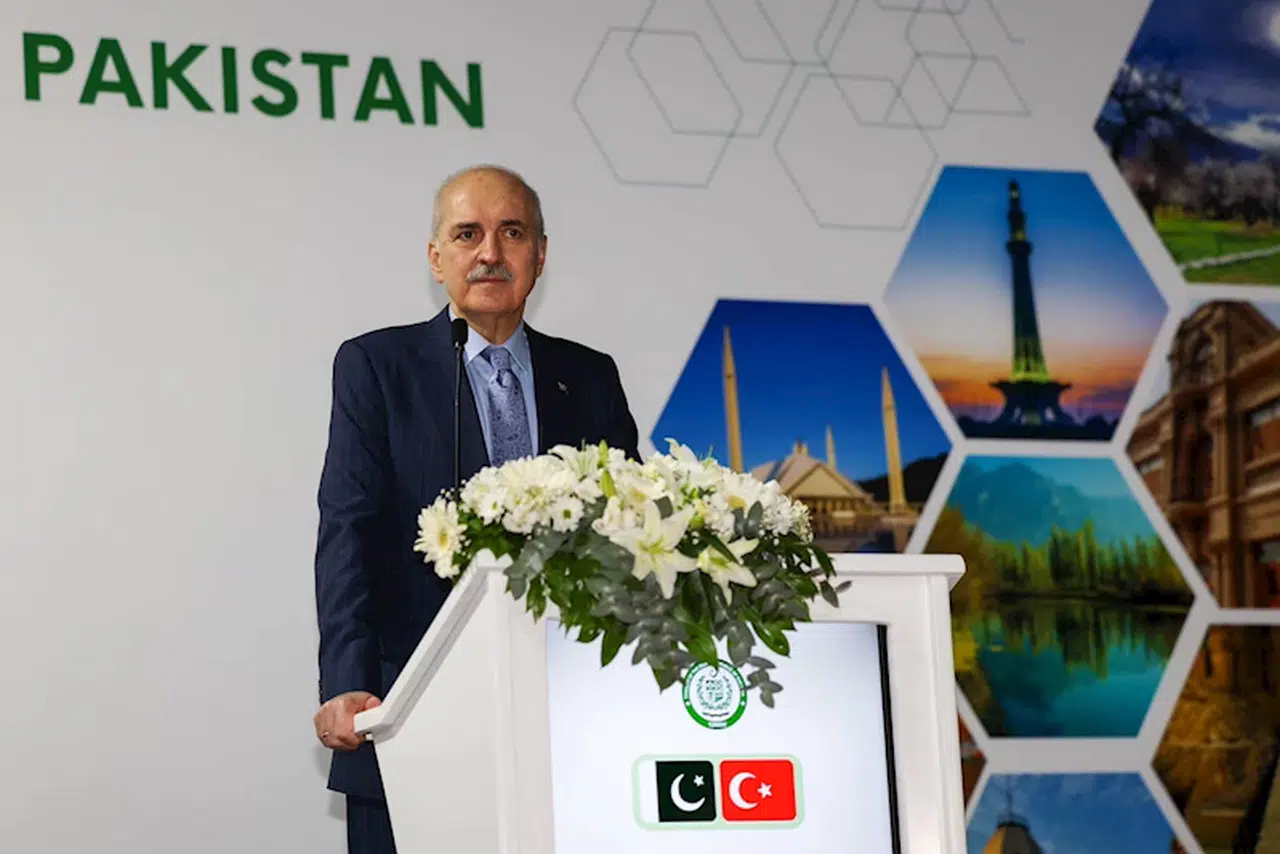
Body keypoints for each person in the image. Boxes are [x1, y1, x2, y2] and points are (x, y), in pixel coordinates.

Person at [311, 164, 641, 854]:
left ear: (540, 255)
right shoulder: (377, 367)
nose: (490, 252)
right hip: (412, 709)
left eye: (511, 233)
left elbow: (629, 537)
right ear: (437, 259)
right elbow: (348, 531)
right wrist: (347, 684)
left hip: (563, 716)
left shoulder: (590, 376)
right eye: (468, 234)